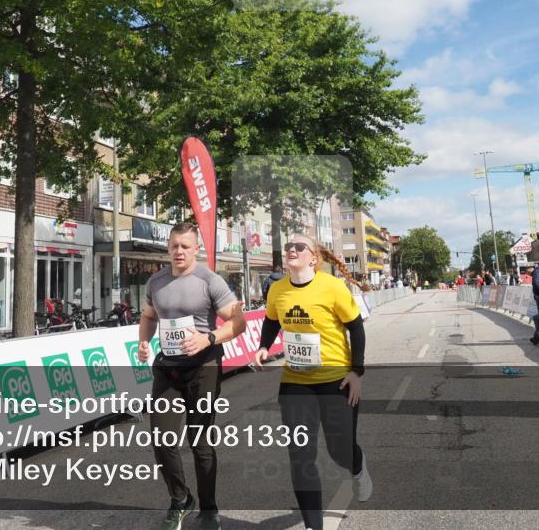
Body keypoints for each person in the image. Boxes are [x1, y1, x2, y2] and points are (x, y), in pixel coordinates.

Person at [253, 234, 371, 530]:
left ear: (313, 257)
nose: (291, 250)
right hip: (296, 382)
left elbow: (356, 328)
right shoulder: (277, 289)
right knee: (300, 454)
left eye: (299, 247)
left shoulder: (332, 287)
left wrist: (357, 372)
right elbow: (271, 320)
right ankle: (313, 525)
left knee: (340, 451)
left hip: (336, 380)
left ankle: (357, 467)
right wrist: (264, 346)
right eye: (289, 247)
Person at [137, 222, 246, 530]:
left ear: (195, 248)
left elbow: (238, 323)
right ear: (168, 248)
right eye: (174, 246)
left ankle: (209, 509)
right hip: (168, 368)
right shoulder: (156, 282)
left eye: (185, 246)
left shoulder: (209, 280)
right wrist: (143, 342)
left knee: (200, 441)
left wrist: (207, 338)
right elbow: (147, 317)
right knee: (161, 438)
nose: (179, 251)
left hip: (203, 368)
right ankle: (180, 499)